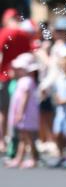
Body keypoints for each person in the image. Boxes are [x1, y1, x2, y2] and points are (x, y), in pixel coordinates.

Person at [0, 10, 33, 154]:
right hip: (20, 78)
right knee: (17, 111)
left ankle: (2, 142)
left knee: (3, 112)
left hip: (4, 77)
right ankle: (17, 142)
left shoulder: (4, 33)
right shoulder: (24, 35)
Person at [5, 53, 40, 168]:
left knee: (28, 137)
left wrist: (19, 113)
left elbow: (24, 98)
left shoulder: (26, 81)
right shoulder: (22, 80)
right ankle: (19, 158)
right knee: (24, 137)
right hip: (24, 114)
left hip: (26, 114)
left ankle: (34, 158)